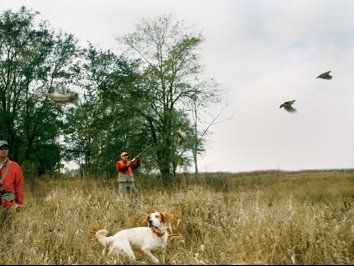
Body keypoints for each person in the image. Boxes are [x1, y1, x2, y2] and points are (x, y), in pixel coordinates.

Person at [0, 140, 24, 218]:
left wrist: (19, 203)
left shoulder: (14, 166)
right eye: (1, 148)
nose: (4, 150)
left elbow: (19, 186)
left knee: (8, 228)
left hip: (8, 204)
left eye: (6, 148)